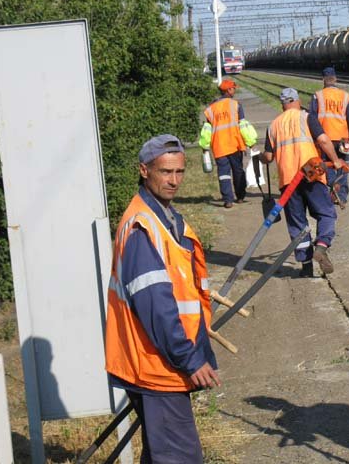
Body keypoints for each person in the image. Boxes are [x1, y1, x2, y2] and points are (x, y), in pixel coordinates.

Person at [105, 135, 221, 463]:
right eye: (166, 172)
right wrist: (190, 358)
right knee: (179, 457)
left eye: (180, 172)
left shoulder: (159, 217)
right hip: (157, 365)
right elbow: (156, 305)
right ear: (145, 171)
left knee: (162, 454)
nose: (174, 181)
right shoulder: (143, 227)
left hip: (157, 360)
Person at [260, 88, 345, 277]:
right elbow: (323, 141)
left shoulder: (273, 125)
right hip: (312, 174)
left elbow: (268, 156)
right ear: (297, 101)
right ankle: (321, 247)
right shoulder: (306, 118)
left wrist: (260, 158)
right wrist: (336, 159)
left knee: (297, 224)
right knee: (326, 213)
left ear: (282, 105)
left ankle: (306, 267)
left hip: (288, 181)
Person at [309, 67, 349, 206]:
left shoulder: (317, 96)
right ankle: (341, 196)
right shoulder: (345, 96)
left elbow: (311, 117)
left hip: (325, 137)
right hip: (343, 138)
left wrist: (312, 137)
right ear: (335, 79)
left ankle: (332, 191)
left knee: (328, 165)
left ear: (323, 79)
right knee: (342, 165)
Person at [201, 79, 247, 208]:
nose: (235, 90)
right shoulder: (236, 105)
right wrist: (249, 141)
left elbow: (207, 129)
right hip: (234, 144)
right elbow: (243, 125)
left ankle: (228, 200)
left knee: (223, 173)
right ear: (228, 90)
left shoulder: (211, 108)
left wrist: (205, 146)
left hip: (219, 146)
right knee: (238, 171)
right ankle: (240, 196)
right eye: (233, 88)